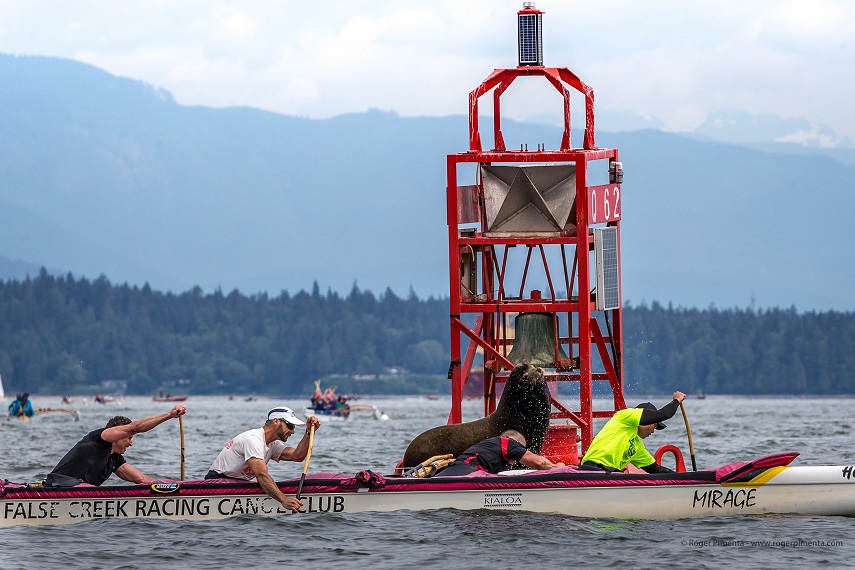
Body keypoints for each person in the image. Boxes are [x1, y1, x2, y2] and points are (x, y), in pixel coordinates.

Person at [205, 407, 321, 513]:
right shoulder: (253, 439)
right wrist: (284, 500)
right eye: (290, 426)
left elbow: (297, 456)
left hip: (237, 486)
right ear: (276, 421)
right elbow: (261, 475)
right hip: (217, 485)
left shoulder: (272, 444)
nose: (293, 431)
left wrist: (309, 432)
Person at [45, 404, 187, 487]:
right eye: (129, 438)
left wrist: (176, 486)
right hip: (57, 487)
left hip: (79, 495)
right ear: (117, 435)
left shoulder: (115, 459)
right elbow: (135, 428)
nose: (131, 443)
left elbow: (141, 479)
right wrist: (169, 415)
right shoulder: (101, 438)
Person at [580, 391, 687, 473]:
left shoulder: (636, 446)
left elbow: (655, 469)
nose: (654, 430)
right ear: (646, 419)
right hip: (592, 468)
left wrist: (683, 479)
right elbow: (664, 414)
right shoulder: (625, 417)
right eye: (655, 424)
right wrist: (676, 400)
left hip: (609, 473)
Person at [439, 429, 564, 476]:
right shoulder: (507, 443)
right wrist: (557, 467)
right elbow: (539, 463)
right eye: (521, 448)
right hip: (463, 470)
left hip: (457, 470)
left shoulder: (492, 447)